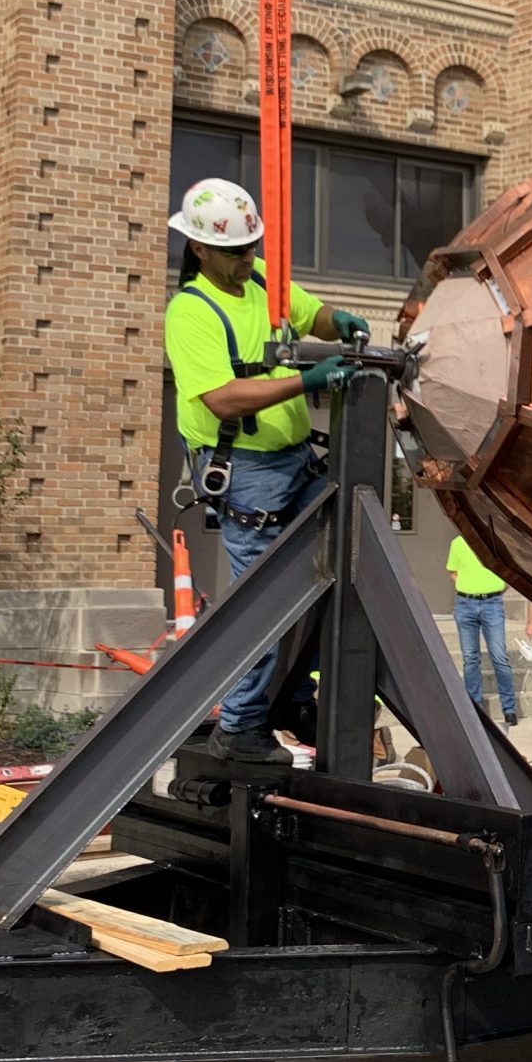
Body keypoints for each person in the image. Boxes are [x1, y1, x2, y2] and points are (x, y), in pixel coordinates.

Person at [164, 177, 369, 761]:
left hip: (296, 464)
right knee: (267, 604)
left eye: (252, 245)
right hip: (247, 475)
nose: (247, 258)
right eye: (235, 249)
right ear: (200, 249)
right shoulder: (191, 311)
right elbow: (223, 398)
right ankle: (242, 724)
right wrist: (306, 380)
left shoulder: (260, 282)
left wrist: (340, 320)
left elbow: (313, 315)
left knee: (341, 579)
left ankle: (291, 700)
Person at [447, 534, 519, 726]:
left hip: (492, 602)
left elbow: (510, 569)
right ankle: (475, 707)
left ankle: (509, 708)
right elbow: (453, 572)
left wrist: (496, 588)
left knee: (499, 656)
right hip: (465, 603)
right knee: (470, 657)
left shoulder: (495, 540)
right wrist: (469, 588)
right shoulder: (457, 543)